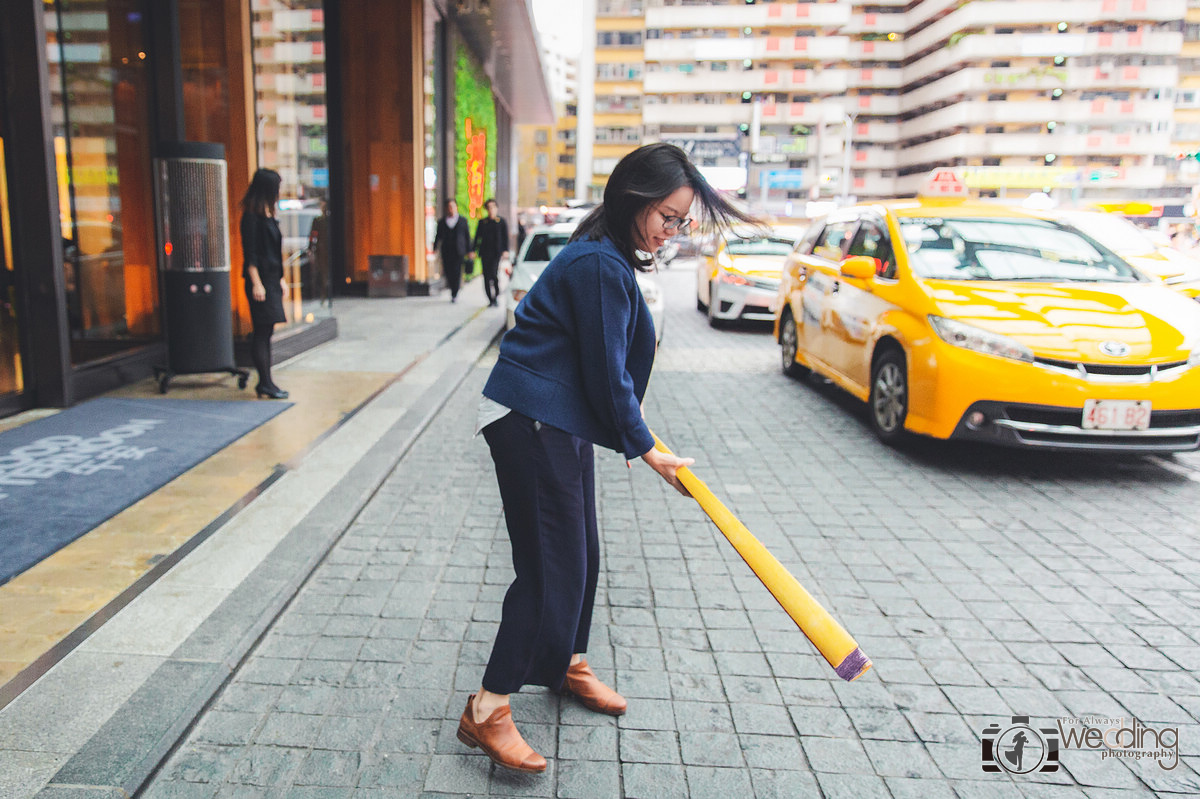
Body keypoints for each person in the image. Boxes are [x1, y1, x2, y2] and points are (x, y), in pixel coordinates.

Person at [457, 143, 763, 773]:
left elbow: (603, 370)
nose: (673, 230)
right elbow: (604, 372)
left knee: (583, 554)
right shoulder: (599, 264)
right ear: (635, 200)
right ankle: (487, 709)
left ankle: (567, 664)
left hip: (554, 420)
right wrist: (647, 447)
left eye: (681, 222)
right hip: (530, 421)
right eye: (668, 217)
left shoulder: (609, 256)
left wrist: (630, 434)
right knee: (548, 573)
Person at [239, 168, 289, 399]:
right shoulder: (250, 217)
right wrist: (257, 283)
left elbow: (274, 253)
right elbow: (250, 255)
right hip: (259, 282)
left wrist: (280, 279)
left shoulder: (268, 215)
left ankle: (266, 382)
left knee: (266, 330)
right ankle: (265, 383)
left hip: (271, 280)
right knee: (261, 331)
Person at [470, 198, 509, 306]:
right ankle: (490, 299)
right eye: (489, 208)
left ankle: (496, 294)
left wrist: (505, 250)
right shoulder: (483, 222)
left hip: (496, 253)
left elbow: (505, 237)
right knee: (486, 276)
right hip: (485, 253)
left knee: (494, 274)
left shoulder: (501, 222)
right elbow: (477, 237)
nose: (491, 210)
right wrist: (473, 250)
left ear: (496, 208)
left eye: (493, 207)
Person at [433, 198, 471, 302]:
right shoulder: (442, 222)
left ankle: (455, 292)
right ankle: (452, 289)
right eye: (449, 207)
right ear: (446, 209)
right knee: (448, 272)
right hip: (446, 251)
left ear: (456, 207)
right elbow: (438, 236)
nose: (451, 209)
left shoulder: (463, 221)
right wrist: (435, 248)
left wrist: (469, 250)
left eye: (453, 206)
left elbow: (467, 236)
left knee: (457, 272)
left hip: (459, 251)